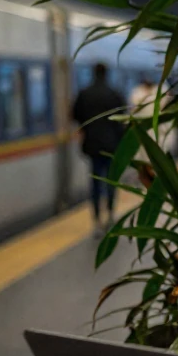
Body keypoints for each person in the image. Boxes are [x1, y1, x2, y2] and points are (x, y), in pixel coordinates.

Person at [71, 63, 126, 235]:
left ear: (93, 73)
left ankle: (96, 220)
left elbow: (75, 116)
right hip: (112, 146)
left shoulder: (84, 94)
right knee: (111, 181)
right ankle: (110, 214)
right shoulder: (115, 94)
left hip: (92, 146)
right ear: (106, 74)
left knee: (95, 182)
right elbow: (122, 120)